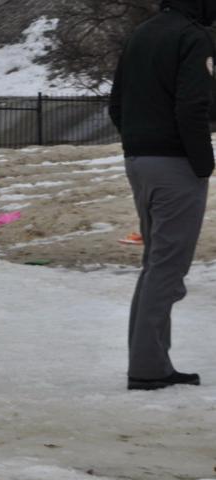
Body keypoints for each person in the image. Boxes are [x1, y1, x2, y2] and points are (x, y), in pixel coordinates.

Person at [109, 0, 216, 391]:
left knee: (155, 263)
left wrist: (138, 142)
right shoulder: (193, 37)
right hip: (175, 165)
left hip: (139, 160)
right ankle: (148, 368)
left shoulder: (143, 33)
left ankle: (152, 360)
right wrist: (203, 163)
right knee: (168, 267)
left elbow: (116, 104)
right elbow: (193, 105)